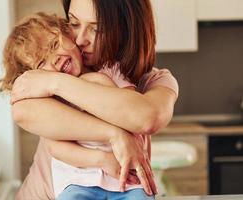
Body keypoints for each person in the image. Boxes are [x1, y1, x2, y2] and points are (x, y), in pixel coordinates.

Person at [11, 0, 179, 199]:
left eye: (96, 29)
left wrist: (55, 82)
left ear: (126, 30)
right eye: (73, 24)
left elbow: (146, 117)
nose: (81, 39)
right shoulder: (51, 75)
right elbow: (22, 112)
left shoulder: (155, 80)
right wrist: (114, 134)